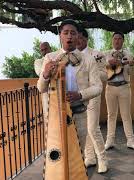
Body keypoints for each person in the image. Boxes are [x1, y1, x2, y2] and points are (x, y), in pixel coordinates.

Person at [37, 19, 103, 172]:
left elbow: (98, 87)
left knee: (76, 154)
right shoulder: (50, 58)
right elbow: (41, 88)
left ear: (78, 36)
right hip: (55, 116)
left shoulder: (88, 59)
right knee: (57, 154)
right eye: (65, 33)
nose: (69, 36)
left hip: (79, 112)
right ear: (60, 36)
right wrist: (46, 73)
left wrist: (80, 95)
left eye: (73, 33)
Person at [104, 32, 134, 151]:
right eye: (115, 38)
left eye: (119, 39)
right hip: (110, 87)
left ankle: (131, 141)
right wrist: (108, 63)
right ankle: (109, 141)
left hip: (124, 87)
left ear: (123, 41)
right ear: (112, 40)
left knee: (126, 115)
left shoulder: (129, 54)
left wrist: (131, 65)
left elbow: (132, 73)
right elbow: (100, 69)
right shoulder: (105, 54)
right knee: (111, 115)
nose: (117, 41)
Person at [76, 27, 108, 173]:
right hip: (77, 97)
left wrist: (92, 72)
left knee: (92, 128)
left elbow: (105, 75)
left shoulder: (97, 54)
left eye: (80, 37)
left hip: (93, 94)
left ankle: (102, 159)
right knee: (83, 128)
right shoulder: (71, 56)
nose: (77, 40)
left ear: (85, 39)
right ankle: (90, 157)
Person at [34, 42, 52, 132]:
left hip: (60, 92)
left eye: (46, 49)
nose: (44, 51)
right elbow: (40, 72)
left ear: (50, 48)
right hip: (46, 93)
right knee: (48, 120)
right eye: (42, 50)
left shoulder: (57, 57)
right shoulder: (38, 62)